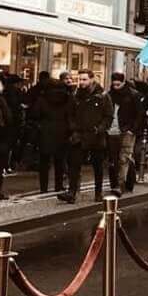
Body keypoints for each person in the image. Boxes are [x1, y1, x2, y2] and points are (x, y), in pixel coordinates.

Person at [60, 68, 112, 203]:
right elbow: (69, 113)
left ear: (92, 79)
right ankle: (72, 192)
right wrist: (73, 128)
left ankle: (98, 192)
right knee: (74, 164)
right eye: (80, 79)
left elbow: (108, 116)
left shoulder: (102, 95)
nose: (81, 82)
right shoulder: (75, 94)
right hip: (79, 135)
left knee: (98, 166)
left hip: (95, 135)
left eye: (84, 79)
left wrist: (100, 128)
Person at [31, 72, 73, 195]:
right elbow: (70, 114)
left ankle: (43, 187)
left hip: (45, 131)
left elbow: (34, 114)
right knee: (59, 161)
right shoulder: (67, 98)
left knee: (44, 162)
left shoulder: (42, 99)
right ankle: (58, 186)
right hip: (62, 131)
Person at [106, 72, 142, 194]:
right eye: (114, 84)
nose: (116, 86)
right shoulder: (109, 95)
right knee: (114, 159)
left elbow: (139, 114)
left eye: (118, 84)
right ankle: (126, 181)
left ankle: (119, 185)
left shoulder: (133, 95)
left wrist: (132, 129)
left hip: (126, 130)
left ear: (123, 82)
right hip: (111, 130)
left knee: (123, 158)